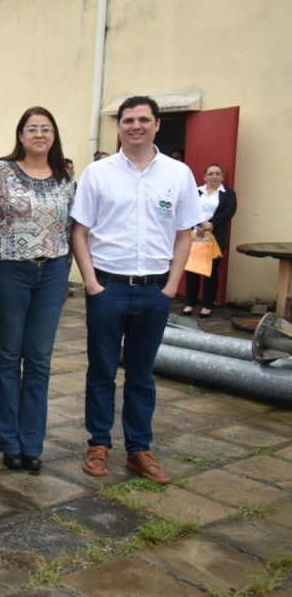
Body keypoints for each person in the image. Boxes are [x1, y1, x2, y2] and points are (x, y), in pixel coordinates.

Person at [71, 95, 201, 485]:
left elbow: (185, 233)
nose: (136, 126)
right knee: (102, 370)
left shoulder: (178, 174)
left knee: (142, 374)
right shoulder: (99, 173)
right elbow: (80, 231)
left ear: (157, 124)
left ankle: (138, 449)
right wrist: (91, 284)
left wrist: (171, 286)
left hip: (154, 290)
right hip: (108, 287)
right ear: (120, 126)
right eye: (128, 120)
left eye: (144, 119)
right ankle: (99, 443)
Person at [0, 107, 75, 472]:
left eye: (46, 128)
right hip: (8, 271)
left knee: (38, 358)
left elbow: (71, 229)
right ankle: (9, 442)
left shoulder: (66, 177)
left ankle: (32, 444)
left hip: (52, 272)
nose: (39, 134)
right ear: (20, 135)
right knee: (8, 355)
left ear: (54, 135)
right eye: (32, 128)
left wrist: (66, 270)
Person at [183, 163, 237, 318]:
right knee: (192, 270)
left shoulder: (228, 194)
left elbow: (229, 212)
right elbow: (187, 209)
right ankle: (190, 303)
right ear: (205, 177)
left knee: (211, 271)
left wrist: (212, 223)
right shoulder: (196, 192)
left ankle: (207, 305)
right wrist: (199, 223)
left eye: (217, 174)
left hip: (215, 236)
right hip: (196, 235)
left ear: (222, 177)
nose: (214, 176)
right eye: (211, 174)